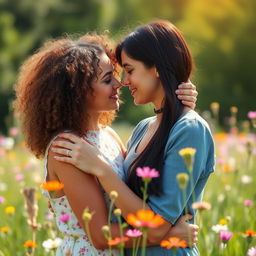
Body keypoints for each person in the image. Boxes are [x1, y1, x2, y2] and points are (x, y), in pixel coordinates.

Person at [14, 33, 198, 255]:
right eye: (107, 79)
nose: (120, 83)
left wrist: (179, 104)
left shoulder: (108, 135)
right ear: (79, 92)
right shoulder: (67, 147)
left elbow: (134, 191)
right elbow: (99, 236)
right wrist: (167, 235)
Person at [52, 20, 215, 256]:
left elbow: (157, 223)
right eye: (115, 76)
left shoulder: (189, 129)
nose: (124, 81)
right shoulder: (143, 127)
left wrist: (100, 168)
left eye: (129, 70)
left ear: (156, 68)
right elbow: (124, 202)